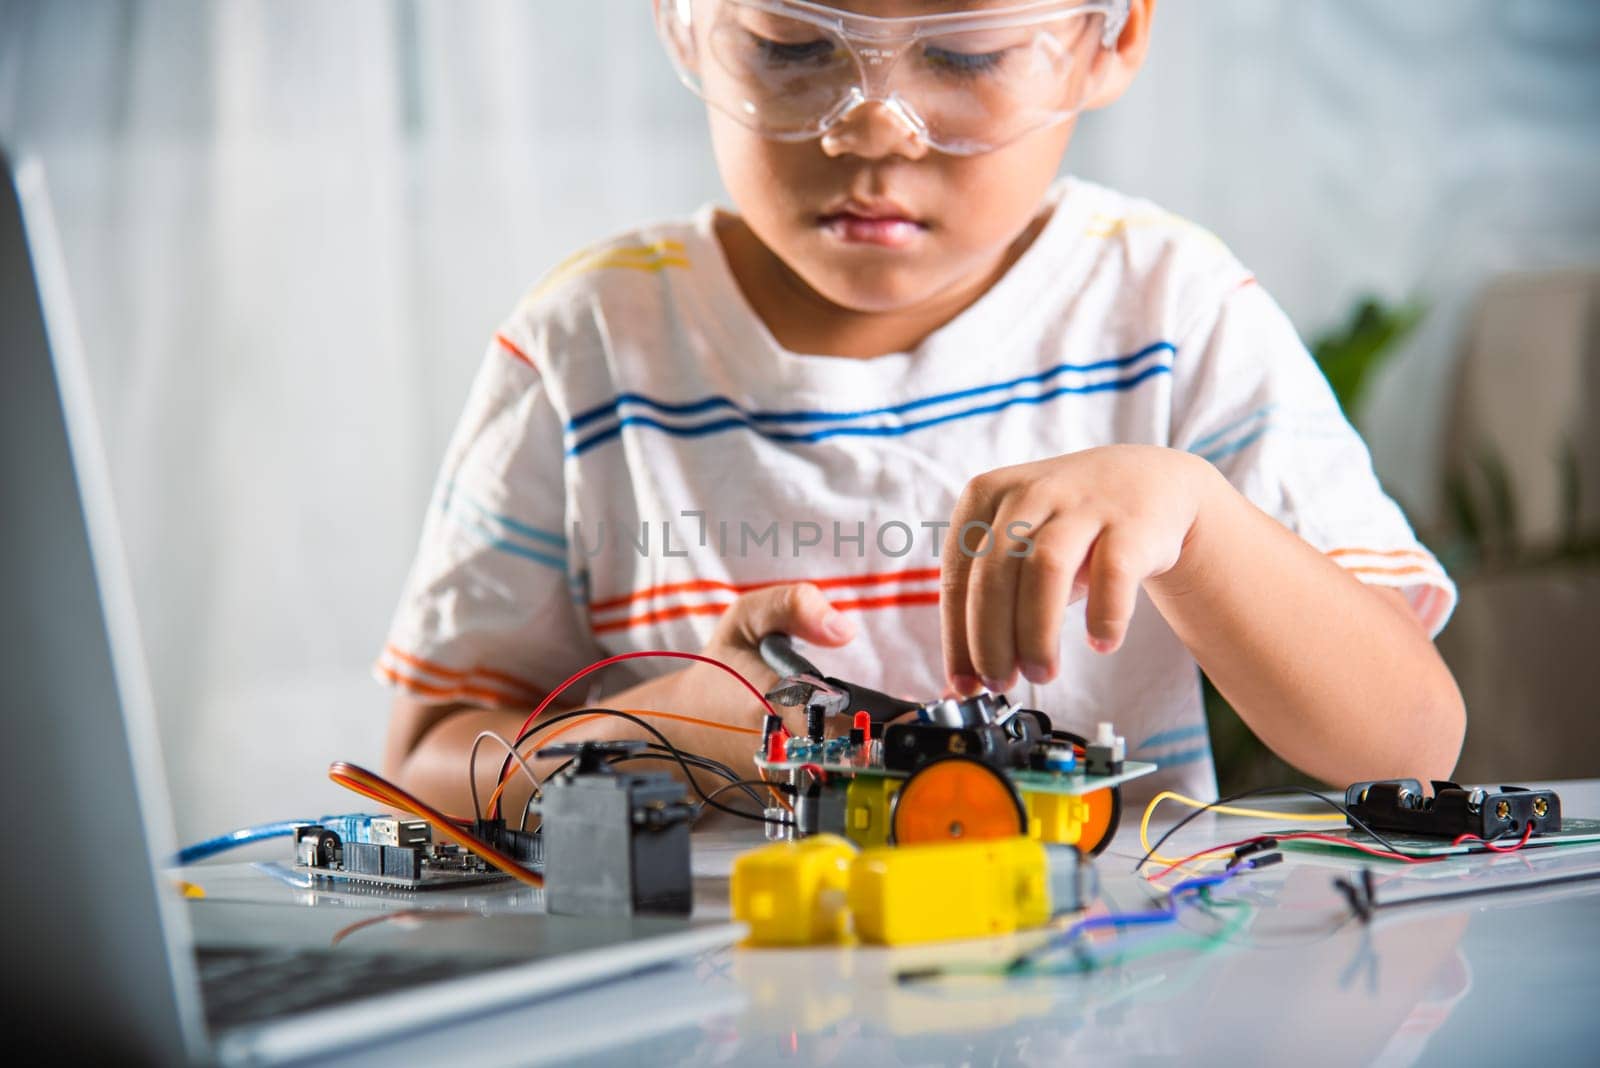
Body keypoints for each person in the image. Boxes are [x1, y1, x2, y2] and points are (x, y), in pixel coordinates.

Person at [377, 0, 1463, 821]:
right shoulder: (588, 345)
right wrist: (658, 734)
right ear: (685, 22)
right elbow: (423, 766)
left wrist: (1200, 523)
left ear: (1109, 36)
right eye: (792, 46)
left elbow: (1410, 744)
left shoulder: (1171, 312)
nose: (875, 132)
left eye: (965, 55)